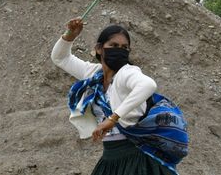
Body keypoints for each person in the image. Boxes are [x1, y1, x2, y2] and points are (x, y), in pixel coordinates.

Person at [51, 17, 173, 175]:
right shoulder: (94, 74)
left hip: (137, 157)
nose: (120, 50)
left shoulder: (127, 72)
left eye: (124, 47)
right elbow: (60, 58)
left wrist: (113, 118)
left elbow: (148, 85)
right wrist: (70, 34)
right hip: (110, 158)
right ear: (99, 49)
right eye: (114, 45)